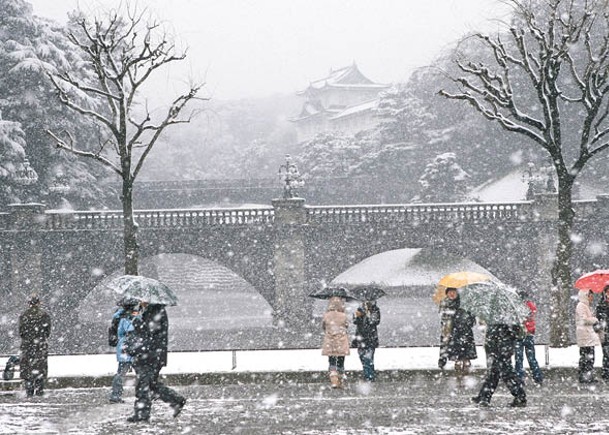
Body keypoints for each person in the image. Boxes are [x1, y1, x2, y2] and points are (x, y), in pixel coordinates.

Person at [126, 302, 186, 423]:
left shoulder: (156, 311)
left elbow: (149, 331)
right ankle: (176, 400)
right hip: (149, 354)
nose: (139, 301)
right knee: (150, 384)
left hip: (151, 355)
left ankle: (142, 414)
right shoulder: (150, 311)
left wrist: (136, 321)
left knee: (143, 384)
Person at [472, 323, 527, 407]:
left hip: (502, 349)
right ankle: (484, 396)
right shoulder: (500, 321)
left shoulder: (504, 321)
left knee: (506, 374)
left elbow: (512, 334)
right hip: (500, 348)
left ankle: (520, 396)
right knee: (494, 373)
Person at [438, 287, 477, 377]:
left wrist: (466, 319)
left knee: (466, 353)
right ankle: (458, 370)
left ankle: (466, 369)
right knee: (456, 353)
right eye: (450, 292)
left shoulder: (464, 302)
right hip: (452, 331)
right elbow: (443, 318)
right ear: (447, 294)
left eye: (454, 292)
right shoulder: (444, 303)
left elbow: (471, 316)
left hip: (465, 331)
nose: (452, 294)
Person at [18, 295, 51, 397]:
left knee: (27, 367)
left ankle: (29, 390)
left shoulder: (24, 315)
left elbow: (21, 332)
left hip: (27, 345)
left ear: (29, 303)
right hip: (40, 345)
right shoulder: (44, 315)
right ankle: (39, 389)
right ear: (38, 303)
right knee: (40, 367)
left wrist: (28, 338)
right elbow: (47, 332)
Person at [109, 298, 138, 403]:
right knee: (140, 371)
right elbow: (131, 331)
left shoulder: (118, 316)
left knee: (121, 372)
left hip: (123, 347)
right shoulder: (127, 318)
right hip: (129, 346)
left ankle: (115, 395)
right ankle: (116, 396)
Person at [514, 292, 543, 386]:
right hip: (529, 334)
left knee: (519, 358)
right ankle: (537, 377)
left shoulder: (517, 307)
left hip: (520, 335)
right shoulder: (531, 306)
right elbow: (531, 319)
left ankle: (519, 378)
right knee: (531, 358)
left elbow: (517, 320)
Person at [322, 296, 350, 389]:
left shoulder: (326, 315)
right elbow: (346, 326)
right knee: (341, 362)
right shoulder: (343, 315)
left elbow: (323, 326)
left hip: (330, 341)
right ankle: (340, 381)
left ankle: (334, 381)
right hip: (341, 341)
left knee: (332, 361)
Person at [352, 299, 381, 382]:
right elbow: (355, 321)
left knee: (369, 358)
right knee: (362, 357)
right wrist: (358, 316)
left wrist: (368, 315)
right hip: (360, 337)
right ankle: (368, 374)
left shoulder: (375, 310)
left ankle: (369, 376)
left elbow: (374, 322)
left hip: (371, 337)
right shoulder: (359, 309)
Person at [576, 289, 601, 383]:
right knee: (587, 357)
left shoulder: (585, 306)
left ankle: (586, 376)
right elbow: (584, 319)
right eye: (591, 295)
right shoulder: (581, 306)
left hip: (587, 336)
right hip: (585, 336)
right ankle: (585, 376)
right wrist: (594, 319)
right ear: (586, 295)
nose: (592, 297)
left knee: (587, 357)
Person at [595, 286, 609, 380]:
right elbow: (598, 319)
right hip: (605, 332)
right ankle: (606, 372)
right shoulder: (601, 305)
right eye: (607, 292)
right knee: (606, 353)